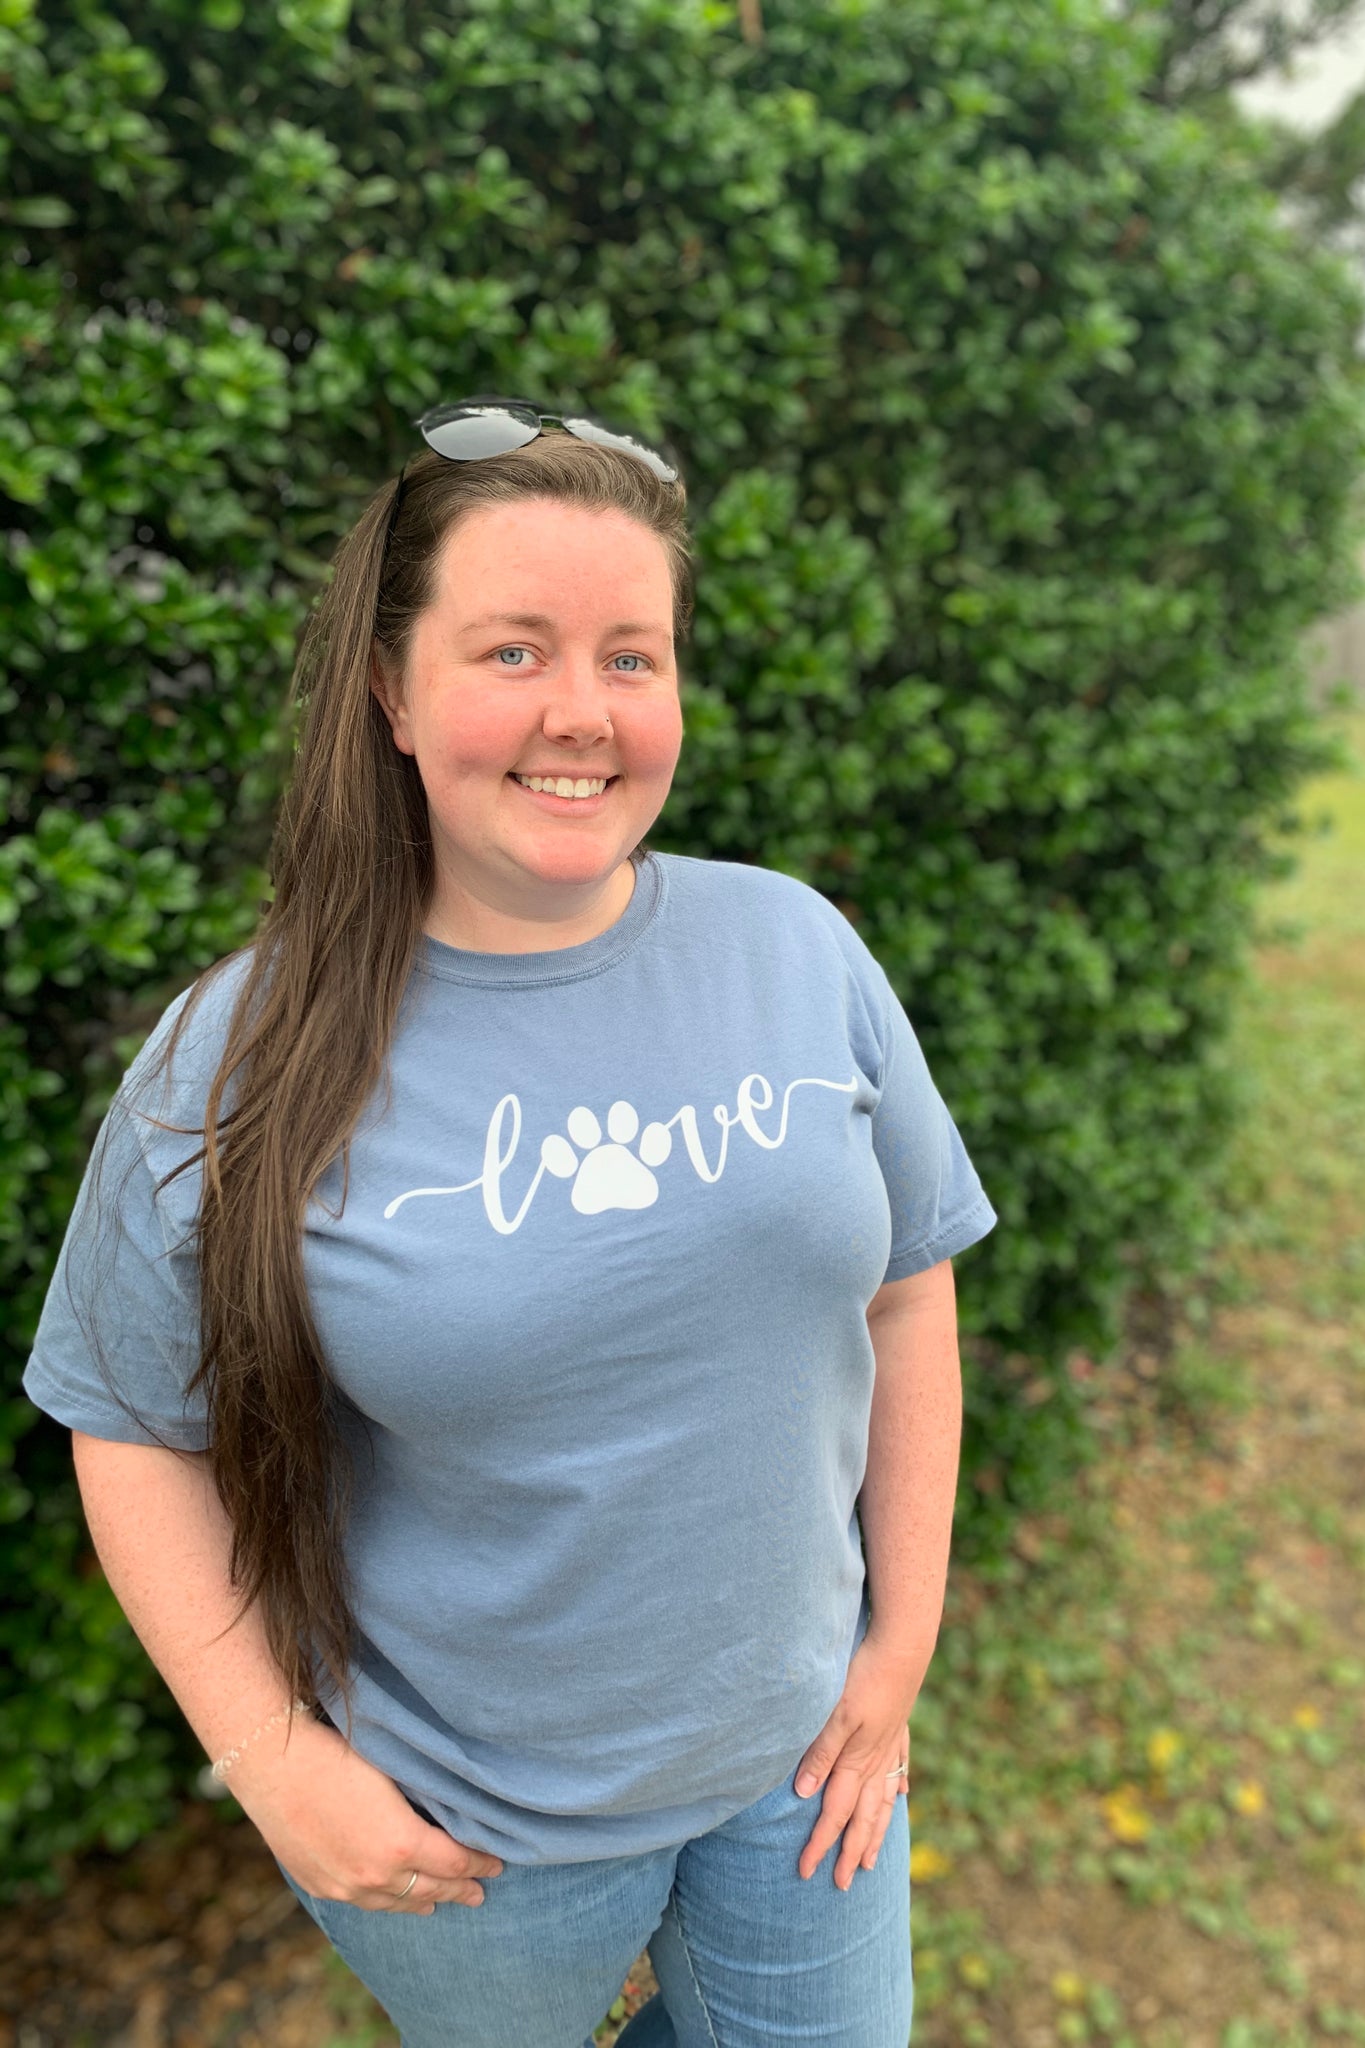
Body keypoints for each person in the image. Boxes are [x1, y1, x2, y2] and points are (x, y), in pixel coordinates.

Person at [22, 397, 998, 2047]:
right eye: (513, 651)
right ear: (393, 691)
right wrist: (273, 1768)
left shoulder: (799, 949)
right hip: (470, 1845)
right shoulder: (234, 1060)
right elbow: (128, 1428)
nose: (583, 714)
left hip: (802, 1772)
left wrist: (898, 1644)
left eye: (633, 656)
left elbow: (907, 1297)